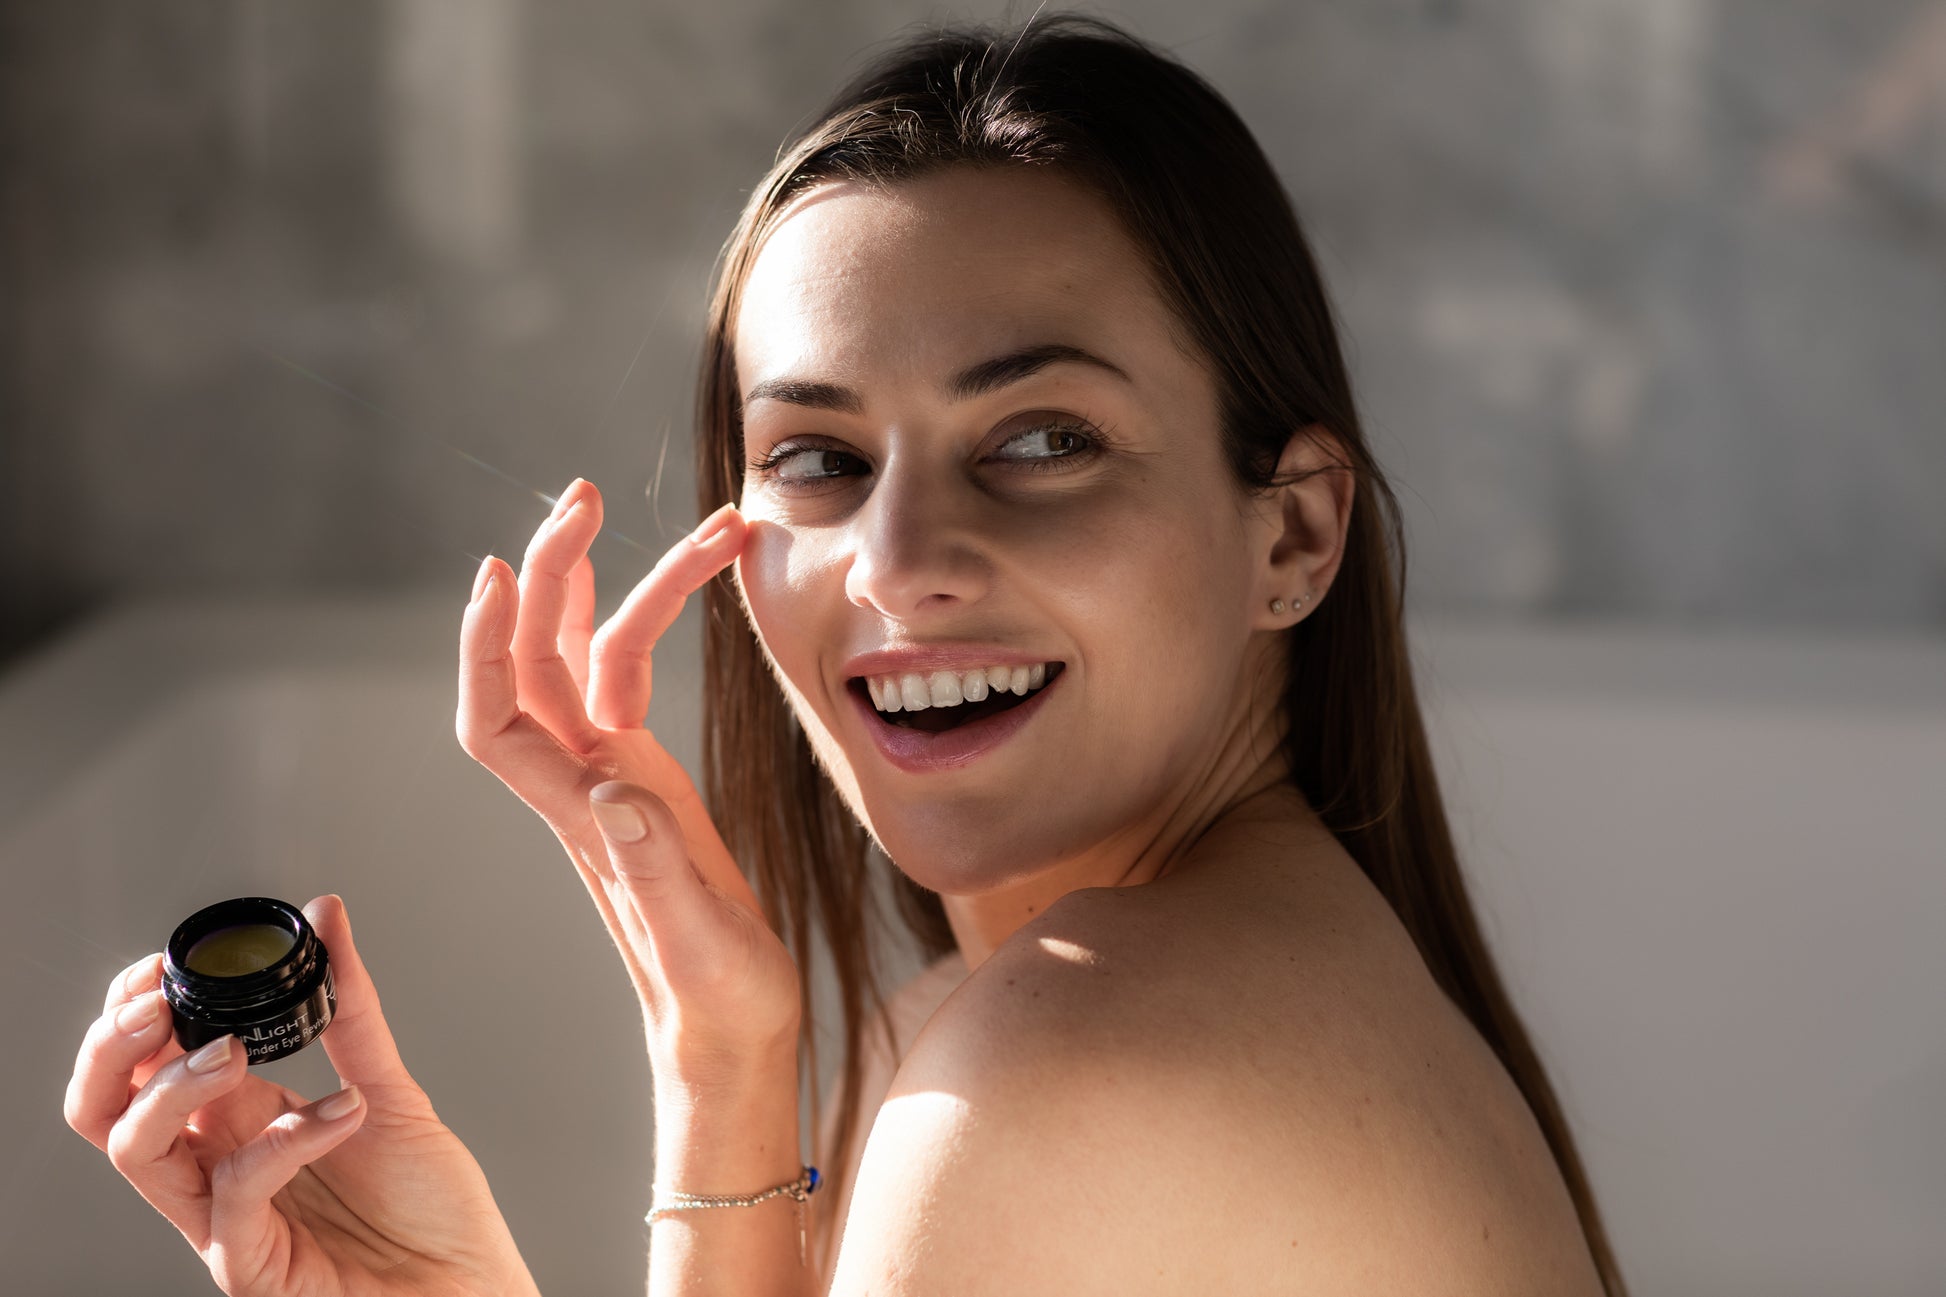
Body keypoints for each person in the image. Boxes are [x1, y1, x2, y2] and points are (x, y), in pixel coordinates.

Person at [64, 16, 1628, 1295]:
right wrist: (719, 1063)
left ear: (1292, 535)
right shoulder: (1060, 1004)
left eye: (1042, 437)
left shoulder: (1073, 1057)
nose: (894, 560)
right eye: (816, 457)